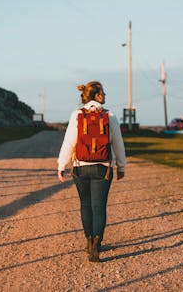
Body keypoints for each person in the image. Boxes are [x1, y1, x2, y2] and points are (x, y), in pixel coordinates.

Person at [57, 81, 126, 262]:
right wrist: (121, 166)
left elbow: (69, 141)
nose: (105, 94)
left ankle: (88, 241)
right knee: (99, 206)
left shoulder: (77, 114)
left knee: (85, 205)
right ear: (97, 95)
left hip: (80, 167)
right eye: (103, 92)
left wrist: (61, 165)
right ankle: (97, 242)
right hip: (103, 168)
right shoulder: (109, 115)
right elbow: (118, 143)